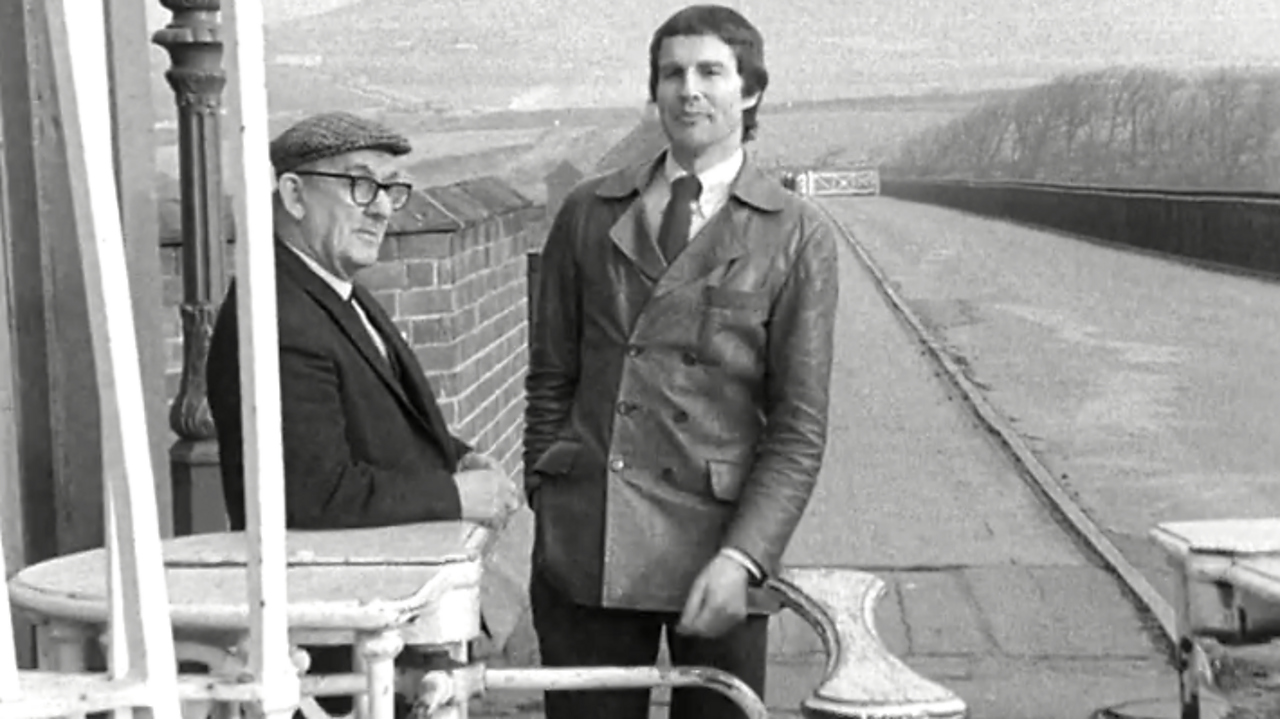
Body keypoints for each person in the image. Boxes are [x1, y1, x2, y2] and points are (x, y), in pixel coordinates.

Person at [523, 5, 840, 719]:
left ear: (749, 91)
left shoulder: (797, 235)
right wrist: (549, 495)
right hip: (588, 548)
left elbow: (798, 426)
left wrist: (746, 558)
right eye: (672, 74)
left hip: (719, 552)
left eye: (710, 72)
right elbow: (550, 376)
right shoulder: (589, 212)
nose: (688, 91)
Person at [206, 111, 524, 715]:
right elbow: (311, 494)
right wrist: (457, 496)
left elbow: (376, 419)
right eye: (359, 185)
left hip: (385, 632)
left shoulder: (332, 291)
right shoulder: (275, 316)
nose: (380, 207)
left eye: (390, 189)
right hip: (334, 665)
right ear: (294, 194)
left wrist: (457, 456)